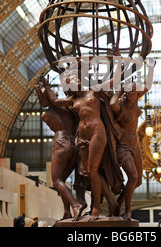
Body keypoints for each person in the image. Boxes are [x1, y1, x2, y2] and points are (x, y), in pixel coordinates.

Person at [56, 59, 124, 221]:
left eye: (76, 79)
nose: (75, 82)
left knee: (92, 171)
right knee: (87, 172)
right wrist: (44, 88)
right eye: (71, 81)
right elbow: (52, 101)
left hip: (96, 133)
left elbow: (115, 80)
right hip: (82, 137)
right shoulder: (72, 100)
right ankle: (111, 202)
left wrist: (119, 61)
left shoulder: (94, 91)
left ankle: (97, 207)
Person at [35, 75, 87, 221]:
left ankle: (75, 206)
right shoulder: (71, 107)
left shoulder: (48, 113)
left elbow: (52, 104)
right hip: (75, 144)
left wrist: (47, 91)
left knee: (57, 180)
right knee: (63, 179)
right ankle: (66, 212)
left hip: (61, 143)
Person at [110, 58, 156, 220]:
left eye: (135, 92)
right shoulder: (120, 106)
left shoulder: (135, 99)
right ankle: (127, 210)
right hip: (122, 146)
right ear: (125, 93)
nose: (134, 94)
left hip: (135, 145)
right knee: (133, 177)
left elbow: (148, 86)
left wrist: (150, 68)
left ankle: (118, 202)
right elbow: (112, 103)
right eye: (130, 92)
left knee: (138, 182)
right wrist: (119, 90)